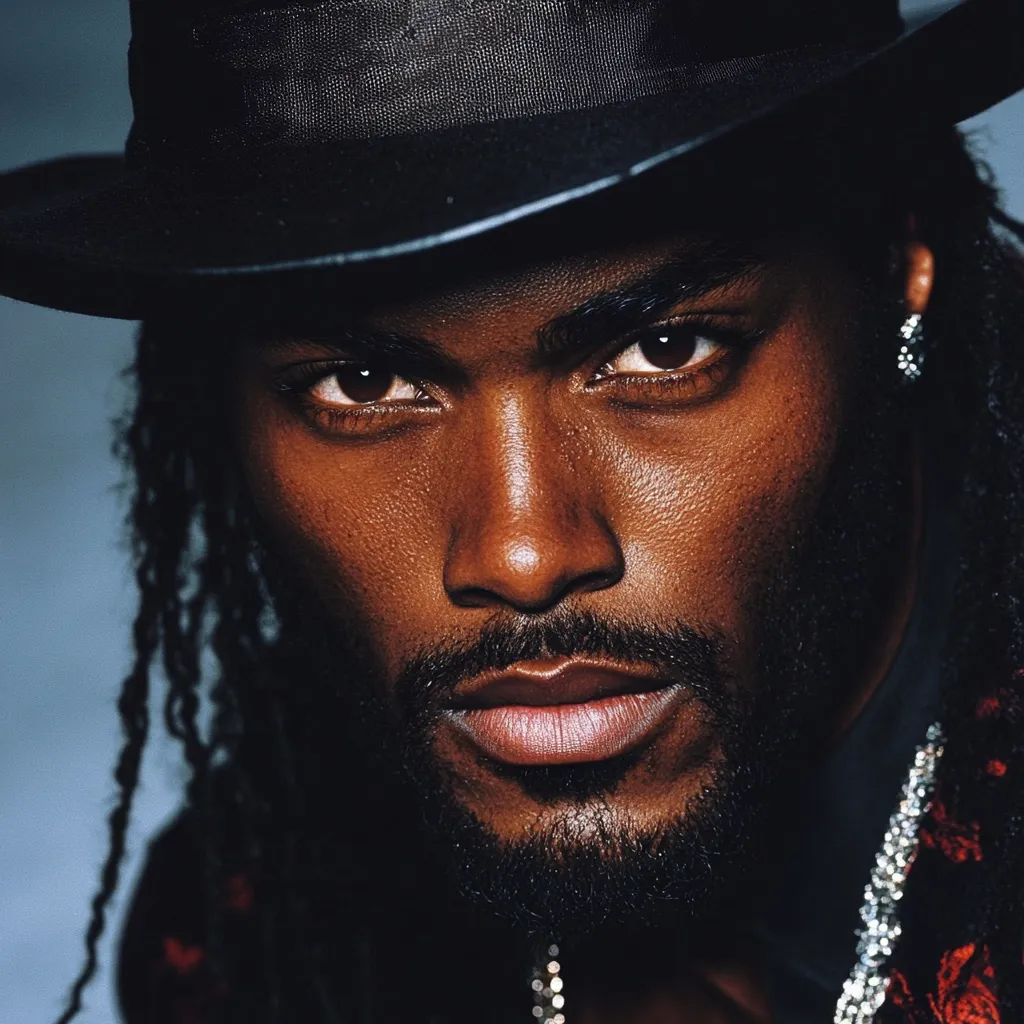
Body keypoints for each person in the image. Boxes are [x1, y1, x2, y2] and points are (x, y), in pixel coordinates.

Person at [2, 0, 1023, 1020]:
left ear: (897, 263)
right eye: (361, 385)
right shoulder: (253, 933)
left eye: (662, 353)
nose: (523, 552)